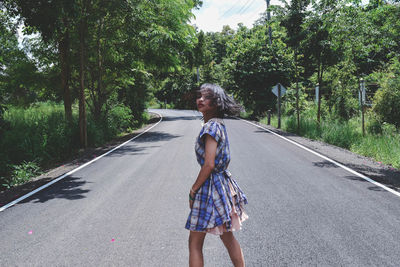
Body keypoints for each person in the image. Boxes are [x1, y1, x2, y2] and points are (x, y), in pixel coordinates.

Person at [185, 83, 248, 267]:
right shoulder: (219, 125)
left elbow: (209, 163)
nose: (200, 100)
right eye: (199, 96)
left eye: (206, 97)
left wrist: (193, 189)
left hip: (209, 189)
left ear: (216, 103)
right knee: (228, 238)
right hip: (221, 187)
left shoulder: (211, 128)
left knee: (195, 243)